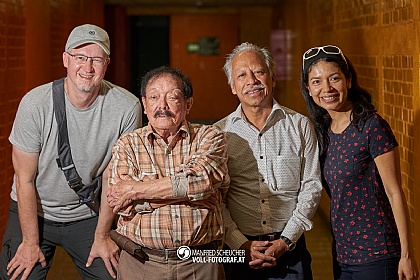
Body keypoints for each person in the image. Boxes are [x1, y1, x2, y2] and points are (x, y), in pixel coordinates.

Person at [0, 24, 142, 280]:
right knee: (18, 275)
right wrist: (30, 242)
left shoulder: (126, 107)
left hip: (88, 214)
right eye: (80, 57)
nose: (87, 68)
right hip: (35, 213)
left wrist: (102, 235)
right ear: (66, 59)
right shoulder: (35, 104)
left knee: (114, 275)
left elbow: (114, 177)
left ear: (106, 64)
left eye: (96, 59)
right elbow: (24, 179)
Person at [300, 45, 418, 280]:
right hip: (343, 254)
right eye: (317, 81)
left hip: (377, 254)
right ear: (308, 88)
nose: (327, 88)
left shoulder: (371, 127)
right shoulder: (324, 131)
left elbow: (394, 192)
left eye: (334, 78)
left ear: (349, 80)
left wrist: (407, 255)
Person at [106, 66, 230, 280]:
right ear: (144, 105)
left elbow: (200, 181)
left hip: (200, 264)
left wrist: (136, 191)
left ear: (188, 104)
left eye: (172, 97)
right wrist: (191, 195)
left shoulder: (209, 137)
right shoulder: (128, 144)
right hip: (140, 263)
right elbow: (122, 204)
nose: (162, 106)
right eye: (154, 97)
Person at [214, 42, 322, 280]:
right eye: (242, 75)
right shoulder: (218, 134)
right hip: (239, 253)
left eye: (259, 72)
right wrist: (239, 243)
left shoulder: (300, 126)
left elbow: (311, 187)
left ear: (272, 78)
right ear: (233, 87)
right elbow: (215, 198)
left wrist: (286, 240)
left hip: (291, 249)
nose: (251, 80)